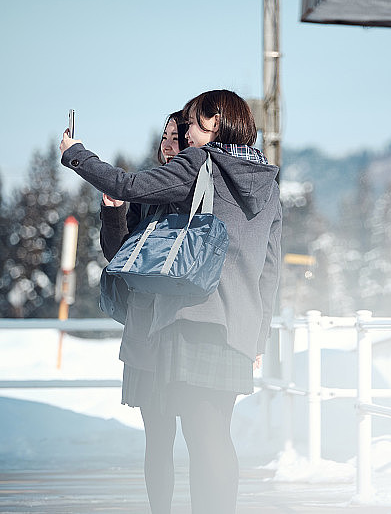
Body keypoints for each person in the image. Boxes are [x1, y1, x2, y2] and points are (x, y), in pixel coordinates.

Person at [60, 90, 282, 514]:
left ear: (216, 123)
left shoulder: (202, 163)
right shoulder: (269, 182)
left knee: (202, 442)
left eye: (194, 122)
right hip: (236, 328)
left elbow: (128, 185)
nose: (187, 133)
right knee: (216, 438)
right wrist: (258, 337)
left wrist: (76, 154)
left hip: (192, 317)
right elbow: (270, 271)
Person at [99, 110, 190, 514]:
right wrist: (115, 209)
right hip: (145, 327)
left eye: (177, 137)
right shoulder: (145, 191)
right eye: (165, 137)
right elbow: (117, 255)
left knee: (199, 432)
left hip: (183, 327)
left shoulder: (201, 189)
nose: (169, 144)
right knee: (158, 437)